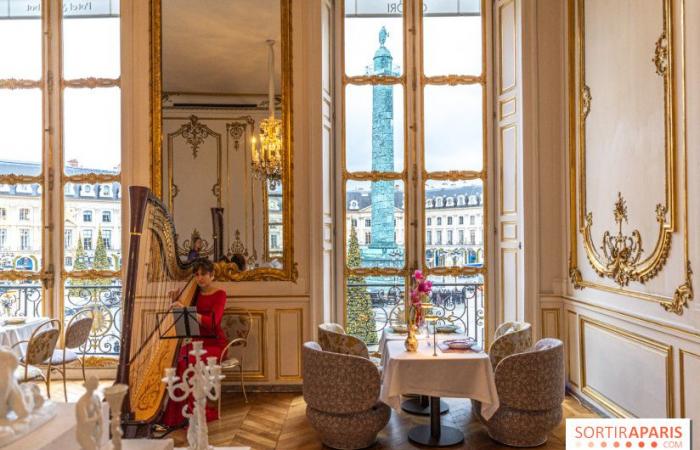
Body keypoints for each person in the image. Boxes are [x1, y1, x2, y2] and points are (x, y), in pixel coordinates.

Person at [161, 257, 227, 427]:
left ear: (212, 275)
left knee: (191, 362)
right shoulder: (193, 295)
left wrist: (189, 312)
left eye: (203, 274)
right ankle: (176, 415)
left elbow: (213, 322)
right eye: (196, 275)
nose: (199, 278)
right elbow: (183, 316)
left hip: (215, 344)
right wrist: (175, 300)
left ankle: (195, 409)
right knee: (179, 360)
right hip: (197, 343)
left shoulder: (220, 294)